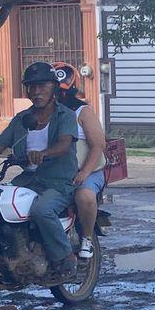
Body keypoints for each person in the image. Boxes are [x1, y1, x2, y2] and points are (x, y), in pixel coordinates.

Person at [0, 62, 81, 277]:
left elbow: (64, 144)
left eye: (42, 86)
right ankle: (7, 256)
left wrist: (44, 153)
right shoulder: (23, 119)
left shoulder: (65, 115)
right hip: (27, 180)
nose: (36, 91)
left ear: (54, 88)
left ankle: (65, 257)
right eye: (31, 87)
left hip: (58, 181)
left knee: (42, 210)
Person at [52, 61, 106, 260]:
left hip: (87, 172)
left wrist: (84, 172)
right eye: (55, 90)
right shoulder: (44, 113)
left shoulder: (83, 112)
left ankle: (87, 238)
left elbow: (98, 145)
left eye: (63, 90)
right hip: (56, 173)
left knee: (84, 197)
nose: (59, 94)